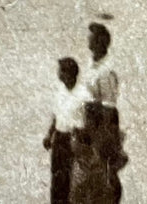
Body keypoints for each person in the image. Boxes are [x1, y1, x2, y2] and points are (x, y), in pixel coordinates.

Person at [83, 23, 125, 203]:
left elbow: (108, 107)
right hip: (92, 119)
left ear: (100, 43)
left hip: (103, 122)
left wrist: (102, 137)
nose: (88, 40)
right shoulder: (93, 62)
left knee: (106, 166)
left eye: (91, 38)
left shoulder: (106, 71)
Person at [46, 57, 88, 204]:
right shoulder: (60, 90)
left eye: (61, 71)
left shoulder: (84, 94)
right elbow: (55, 115)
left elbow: (88, 121)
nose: (58, 74)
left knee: (71, 179)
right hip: (59, 138)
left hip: (74, 139)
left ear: (68, 74)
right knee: (57, 176)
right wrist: (49, 134)